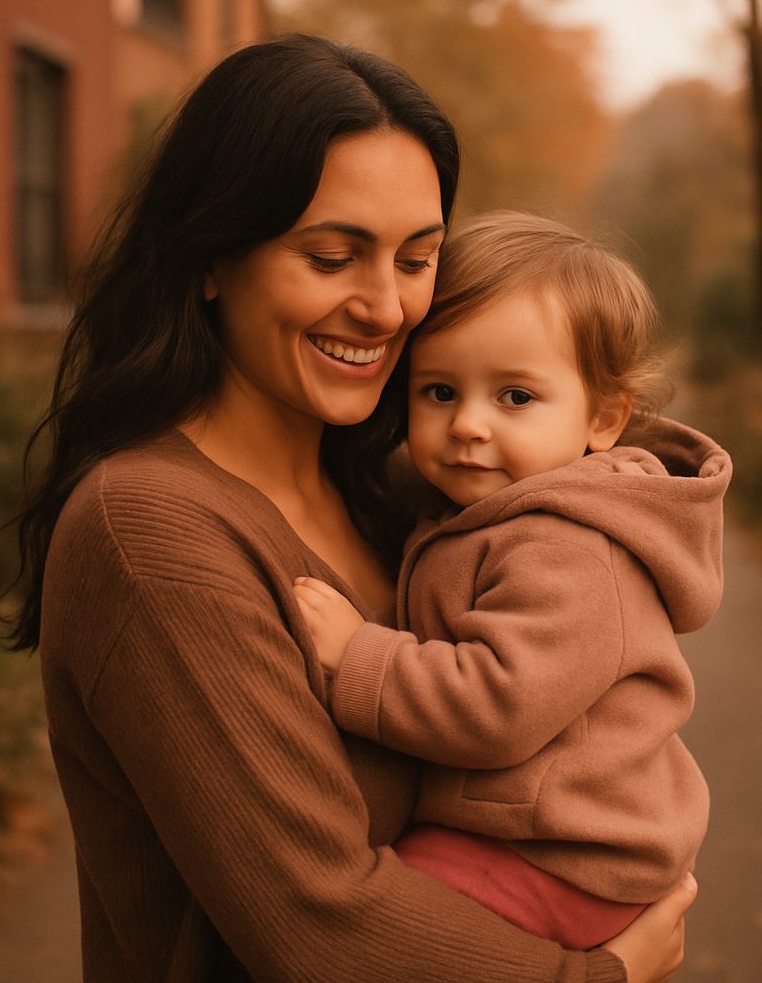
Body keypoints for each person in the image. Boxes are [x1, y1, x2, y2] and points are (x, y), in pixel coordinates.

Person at [8, 34, 696, 982]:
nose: (386, 308)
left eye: (418, 259)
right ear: (211, 258)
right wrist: (599, 977)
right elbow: (320, 924)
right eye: (333, 257)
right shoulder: (152, 534)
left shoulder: (397, 495)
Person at [295, 212, 731, 951]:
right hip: (525, 839)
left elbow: (498, 704)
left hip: (567, 856)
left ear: (604, 418)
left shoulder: (572, 548)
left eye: (515, 398)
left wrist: (358, 654)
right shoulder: (489, 513)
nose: (467, 424)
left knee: (383, 940)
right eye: (439, 391)